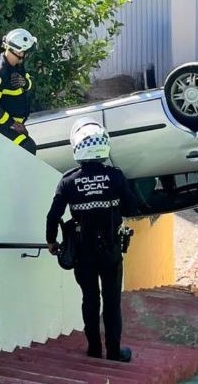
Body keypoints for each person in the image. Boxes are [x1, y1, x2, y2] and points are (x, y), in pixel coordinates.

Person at [46, 118, 139, 362]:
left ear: (76, 147)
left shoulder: (68, 180)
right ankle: (115, 352)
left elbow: (53, 216)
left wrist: (51, 242)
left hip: (83, 254)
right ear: (103, 146)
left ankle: (94, 349)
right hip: (110, 251)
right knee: (111, 302)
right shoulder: (116, 177)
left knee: (90, 300)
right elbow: (131, 208)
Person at [0, 28, 38, 154]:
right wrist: (13, 124)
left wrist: (25, 83)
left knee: (27, 148)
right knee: (28, 147)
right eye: (25, 51)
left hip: (15, 124)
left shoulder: (17, 65)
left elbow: (28, 82)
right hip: (2, 126)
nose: (26, 55)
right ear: (16, 51)